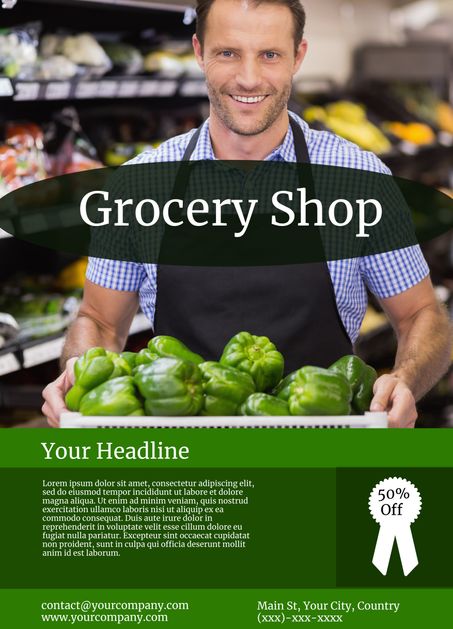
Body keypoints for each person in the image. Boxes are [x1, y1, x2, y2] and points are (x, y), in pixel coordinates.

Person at [42, 0, 452, 427]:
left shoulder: (357, 178)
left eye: (270, 54)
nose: (249, 78)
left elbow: (421, 314)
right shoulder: (140, 185)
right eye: (228, 53)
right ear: (199, 52)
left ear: (299, 57)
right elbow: (99, 323)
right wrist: (78, 378)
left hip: (324, 452)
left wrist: (404, 380)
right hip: (185, 465)